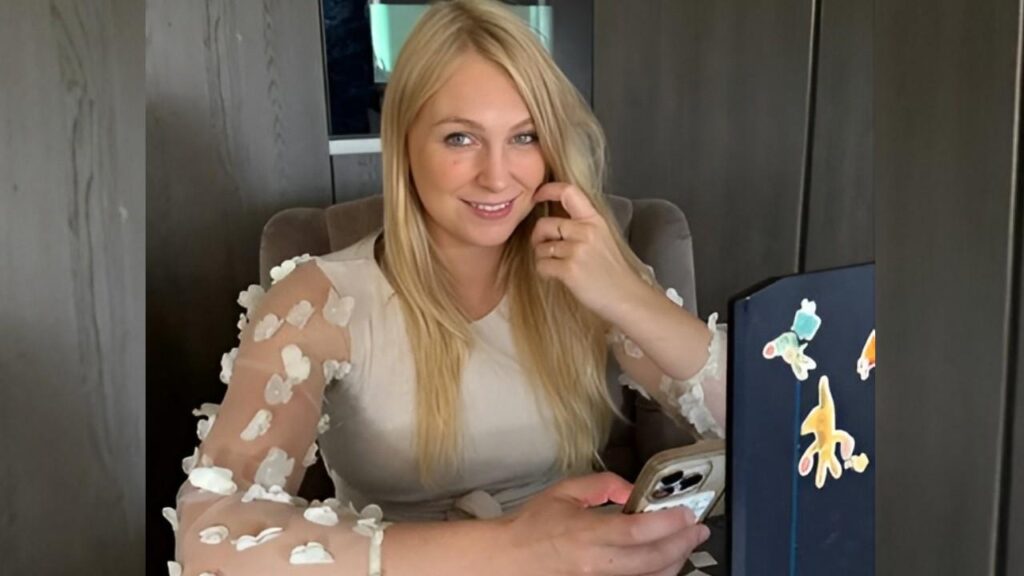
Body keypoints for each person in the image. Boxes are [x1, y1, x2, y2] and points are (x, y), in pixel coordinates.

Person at [166, 1, 727, 574]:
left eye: (525, 136)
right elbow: (211, 532)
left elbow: (784, 424)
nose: (497, 175)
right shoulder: (314, 303)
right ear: (404, 144)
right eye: (460, 138)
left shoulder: (590, 275)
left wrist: (628, 297)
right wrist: (516, 549)